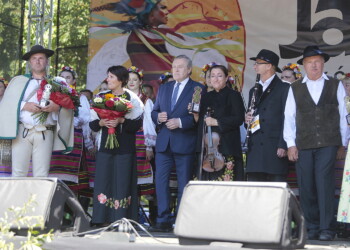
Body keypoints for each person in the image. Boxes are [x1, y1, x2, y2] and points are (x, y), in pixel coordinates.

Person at [284, 45, 347, 241]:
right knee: (307, 185)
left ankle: (327, 228)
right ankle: (310, 227)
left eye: (318, 62)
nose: (315, 66)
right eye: (311, 62)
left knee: (324, 183)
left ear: (323, 64)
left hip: (328, 143)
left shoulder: (335, 85)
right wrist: (290, 144)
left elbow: (343, 115)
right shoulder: (295, 87)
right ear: (304, 65)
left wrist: (342, 143)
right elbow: (289, 117)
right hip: (303, 143)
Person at [0, 45, 74, 177]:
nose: (38, 61)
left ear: (46, 61)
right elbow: (6, 103)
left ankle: (38, 199)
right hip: (22, 132)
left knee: (41, 174)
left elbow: (70, 106)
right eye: (34, 58)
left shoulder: (58, 82)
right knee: (18, 173)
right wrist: (24, 105)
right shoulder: (18, 81)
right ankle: (19, 199)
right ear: (30, 62)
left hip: (45, 131)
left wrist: (56, 107)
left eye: (41, 58)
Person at [150, 55, 205, 232]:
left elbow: (199, 117)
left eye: (180, 67)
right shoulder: (164, 88)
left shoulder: (197, 88)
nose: (176, 70)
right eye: (174, 67)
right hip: (164, 142)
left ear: (189, 69)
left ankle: (182, 220)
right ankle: (163, 219)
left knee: (184, 183)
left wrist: (181, 122)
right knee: (161, 181)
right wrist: (157, 117)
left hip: (185, 141)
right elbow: (154, 111)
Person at [90, 65, 143, 225]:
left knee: (123, 181)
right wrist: (101, 121)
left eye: (112, 76)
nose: (108, 79)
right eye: (108, 76)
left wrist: (121, 120)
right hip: (105, 147)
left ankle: (122, 218)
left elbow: (136, 125)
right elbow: (92, 124)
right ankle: (100, 218)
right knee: (103, 180)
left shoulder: (132, 98)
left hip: (125, 147)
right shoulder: (100, 97)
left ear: (122, 80)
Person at [49, 66, 94, 208]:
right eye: (62, 77)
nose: (65, 80)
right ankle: (54, 211)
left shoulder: (80, 98)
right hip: (56, 138)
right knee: (53, 175)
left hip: (74, 139)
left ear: (74, 80)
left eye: (68, 77)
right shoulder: (51, 96)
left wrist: (89, 144)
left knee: (72, 180)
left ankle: (71, 213)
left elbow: (85, 121)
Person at [193, 65, 245, 181]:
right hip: (207, 150)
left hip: (227, 146)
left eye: (219, 76)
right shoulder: (205, 97)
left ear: (226, 78)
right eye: (212, 76)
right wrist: (196, 115)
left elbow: (239, 118)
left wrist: (217, 122)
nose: (215, 79)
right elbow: (201, 123)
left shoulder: (234, 95)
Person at [245, 49, 290, 182]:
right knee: (255, 191)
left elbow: (288, 118)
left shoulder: (284, 88)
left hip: (275, 147)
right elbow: (251, 118)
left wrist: (283, 144)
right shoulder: (254, 90)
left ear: (269, 66)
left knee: (275, 192)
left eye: (258, 63)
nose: (255, 66)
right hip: (256, 148)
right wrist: (246, 119)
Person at [127, 66, 157, 194]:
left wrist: (149, 147)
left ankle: (136, 209)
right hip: (124, 140)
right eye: (129, 80)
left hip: (140, 141)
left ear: (140, 82)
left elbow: (149, 124)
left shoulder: (146, 101)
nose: (131, 82)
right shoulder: (120, 98)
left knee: (138, 177)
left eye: (135, 79)